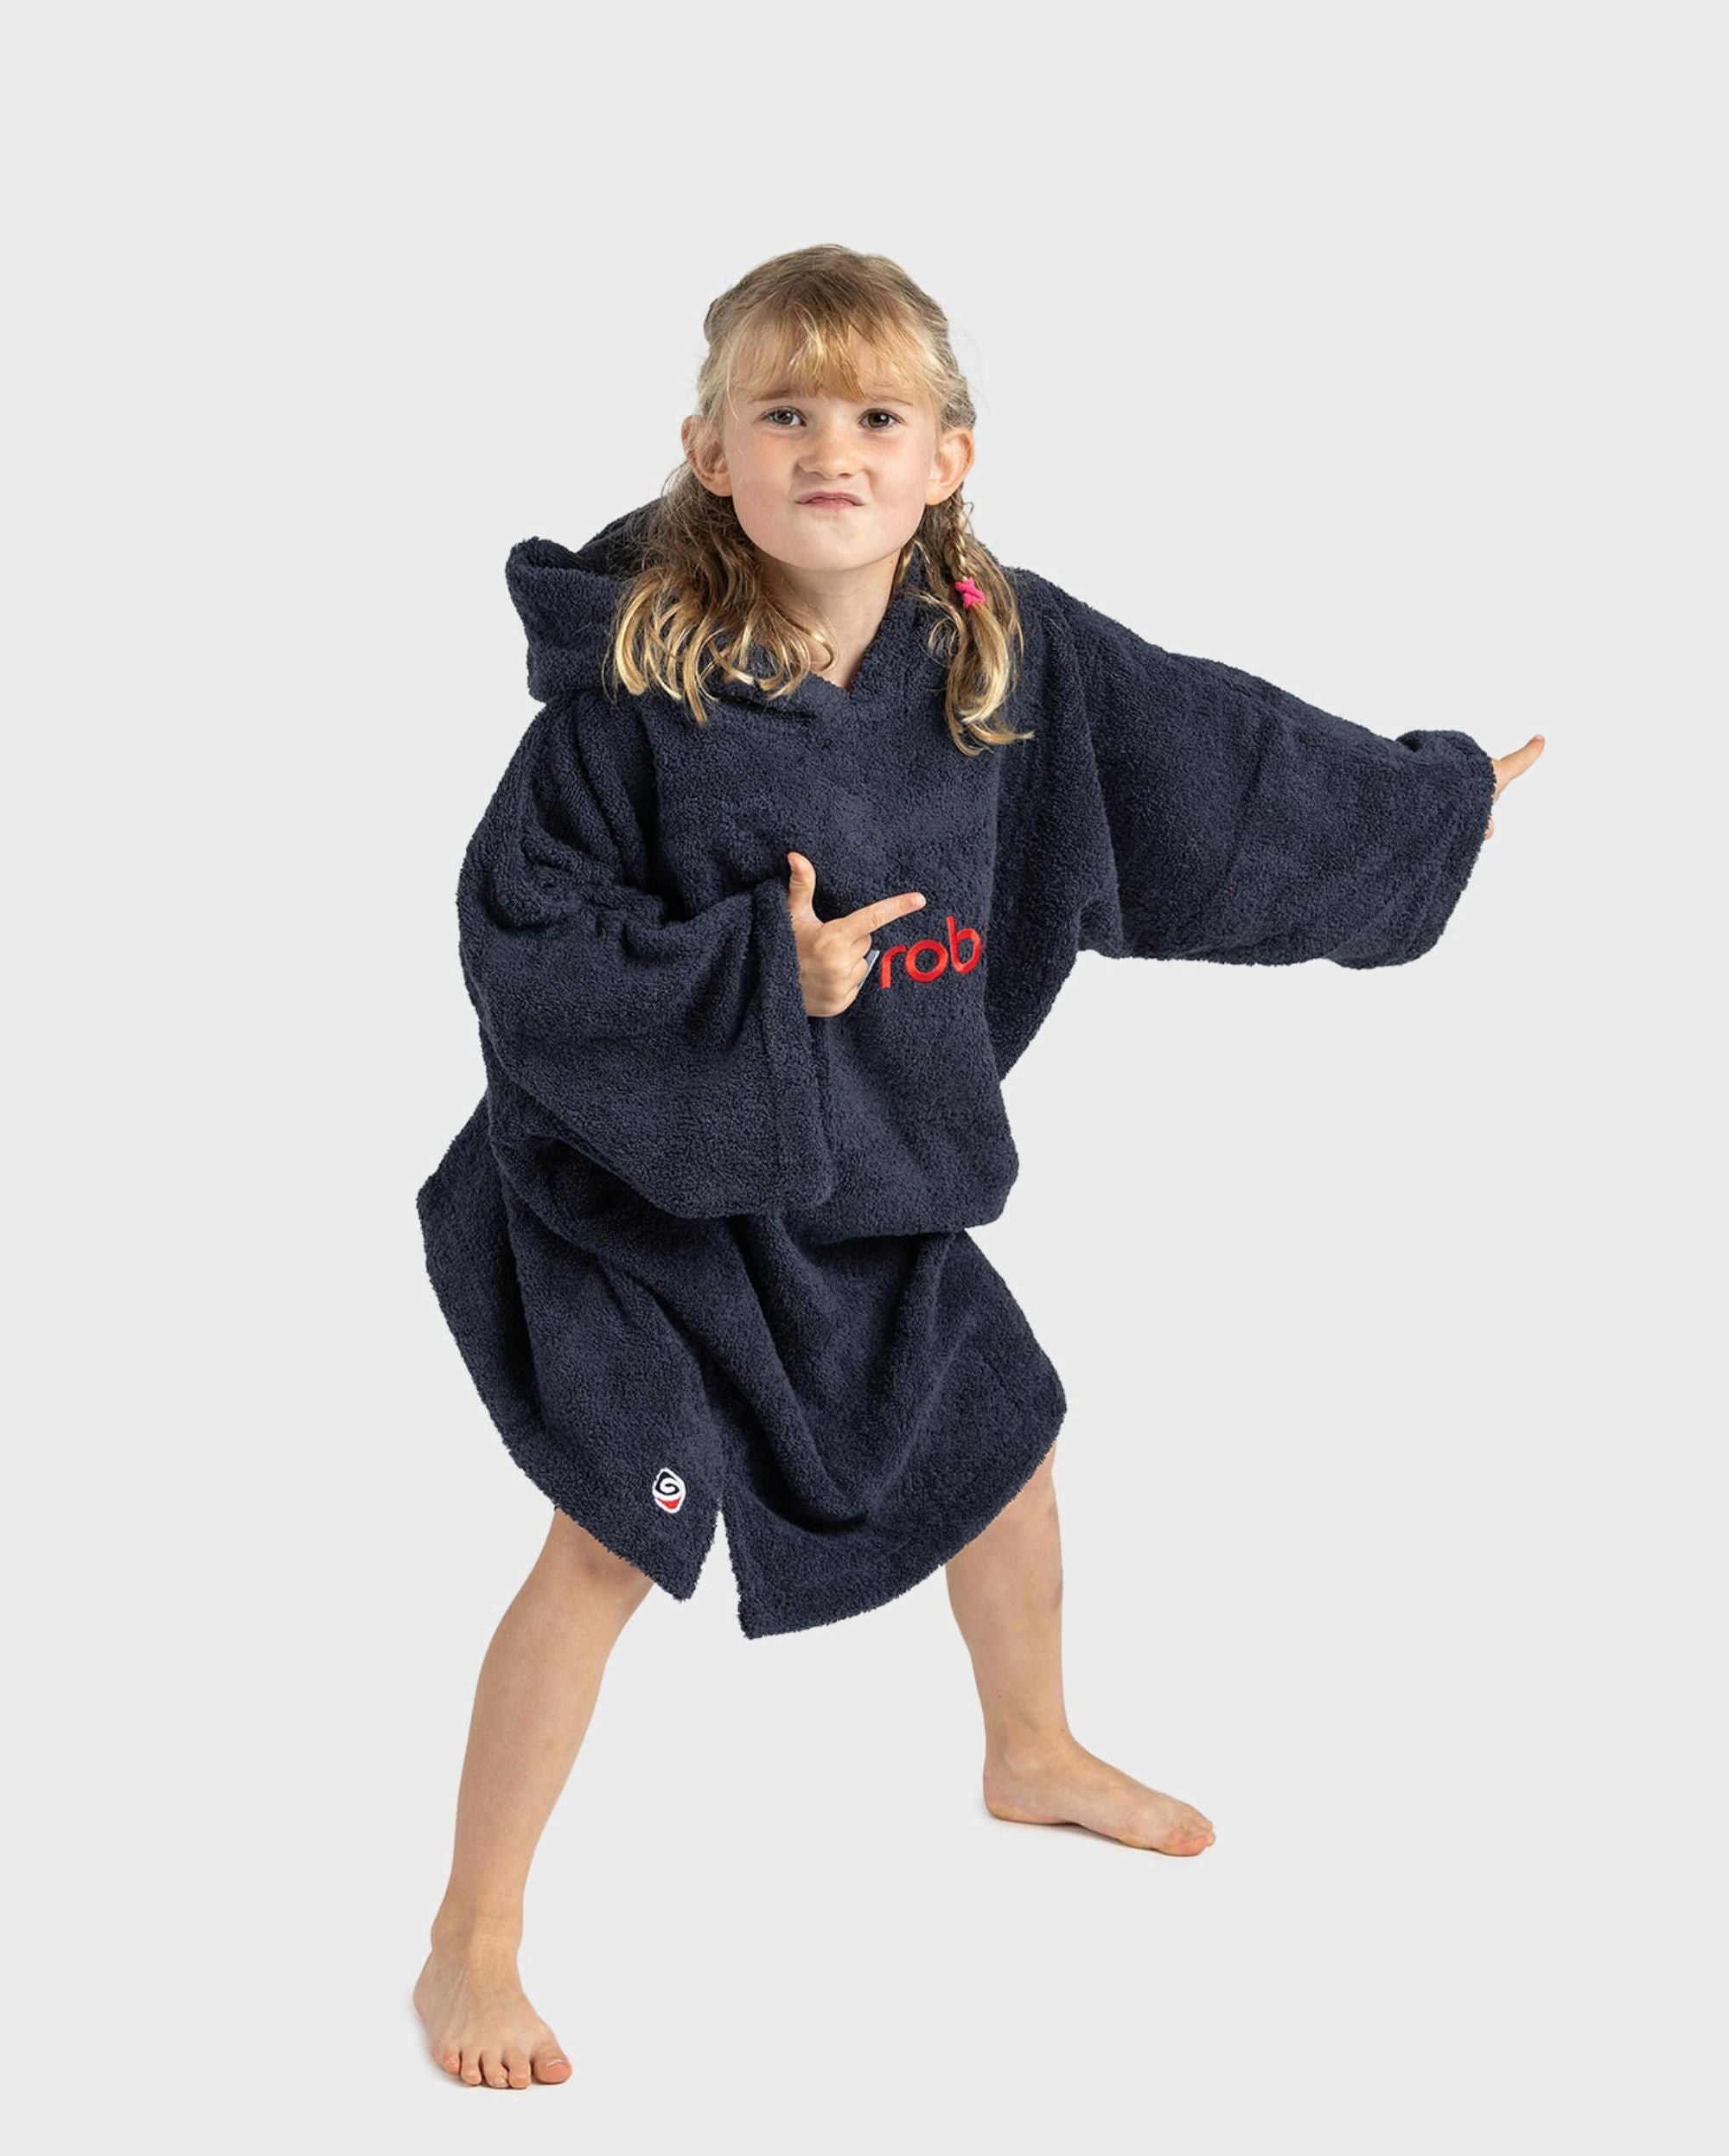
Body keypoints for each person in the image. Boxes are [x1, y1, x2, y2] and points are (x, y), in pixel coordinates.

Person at [411, 244, 1544, 2090]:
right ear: (709, 451)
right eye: (785, 412)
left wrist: (1426, 807)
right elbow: (519, 941)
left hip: (864, 1176)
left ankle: (1032, 1747)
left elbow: (1217, 757)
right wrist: (755, 978)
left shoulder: (1004, 657)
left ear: (946, 458)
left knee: (1001, 1432)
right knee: (612, 1533)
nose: (829, 449)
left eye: (877, 416)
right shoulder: (630, 695)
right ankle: (472, 1934)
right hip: (641, 1197)